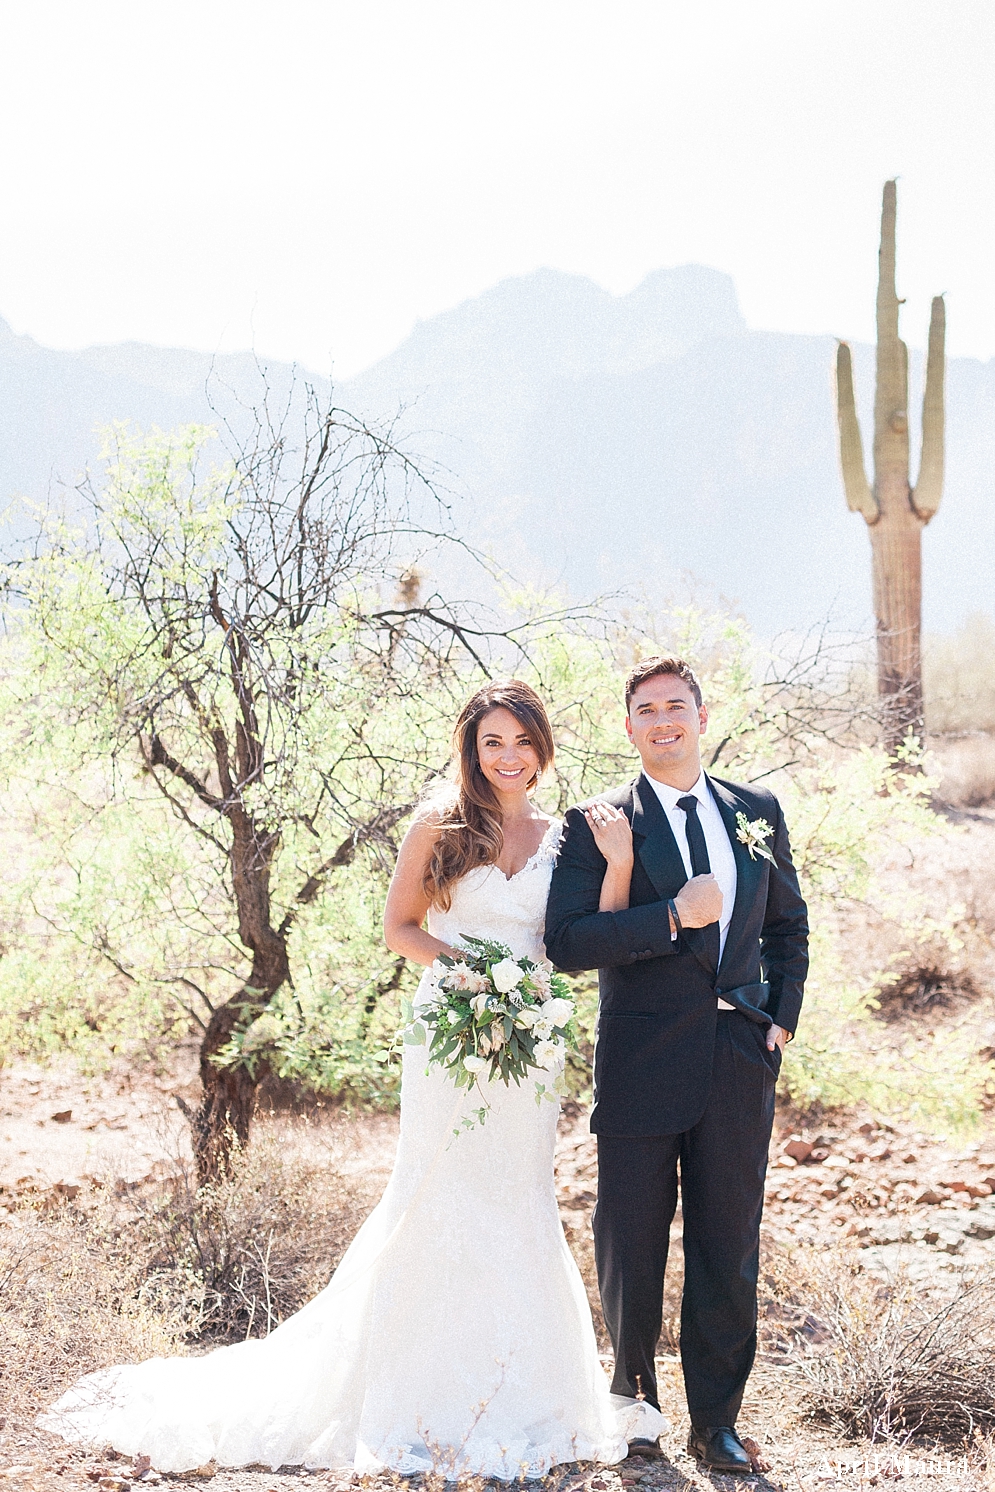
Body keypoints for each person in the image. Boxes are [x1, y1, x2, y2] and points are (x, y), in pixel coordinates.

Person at [41, 680, 662, 1479]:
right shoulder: (439, 823)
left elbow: (586, 936)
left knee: (518, 1193)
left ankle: (522, 1392)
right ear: (471, 751)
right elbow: (399, 928)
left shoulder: (570, 833)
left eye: (520, 742)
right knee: (437, 1188)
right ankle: (413, 1389)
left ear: (543, 747)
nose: (507, 758)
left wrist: (616, 864)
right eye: (490, 744)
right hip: (450, 1029)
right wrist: (467, 970)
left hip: (530, 1041)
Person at [545, 656, 808, 1474]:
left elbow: (789, 928)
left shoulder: (755, 809)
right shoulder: (598, 822)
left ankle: (716, 1424)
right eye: (645, 710)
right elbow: (568, 943)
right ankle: (634, 1406)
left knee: (728, 1247)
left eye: (675, 706)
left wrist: (779, 1023)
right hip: (639, 1061)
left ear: (700, 714)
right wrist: (669, 915)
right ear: (628, 728)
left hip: (737, 1059)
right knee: (629, 1242)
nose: (663, 721)